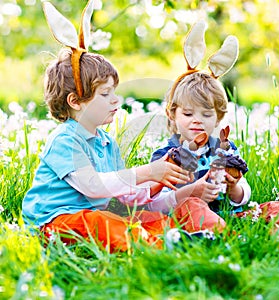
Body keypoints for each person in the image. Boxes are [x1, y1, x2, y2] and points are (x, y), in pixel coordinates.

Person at [22, 0, 192, 253]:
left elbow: (119, 194)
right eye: (105, 94)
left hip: (93, 215)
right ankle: (159, 248)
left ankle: (178, 238)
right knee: (103, 223)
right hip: (55, 222)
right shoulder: (64, 141)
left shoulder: (106, 142)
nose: (115, 100)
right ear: (76, 102)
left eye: (114, 92)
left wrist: (157, 180)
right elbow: (93, 185)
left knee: (133, 218)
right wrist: (147, 171)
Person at [148, 22, 279, 242]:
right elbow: (158, 203)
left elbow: (243, 197)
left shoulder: (224, 150)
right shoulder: (167, 156)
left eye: (207, 115)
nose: (197, 122)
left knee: (277, 207)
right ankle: (230, 241)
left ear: (218, 118)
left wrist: (234, 188)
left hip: (229, 216)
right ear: (172, 114)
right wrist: (191, 192)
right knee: (192, 205)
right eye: (189, 114)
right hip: (191, 220)